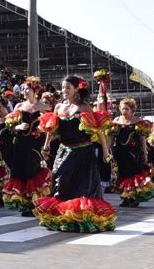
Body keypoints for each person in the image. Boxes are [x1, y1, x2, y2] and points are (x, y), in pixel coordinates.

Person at [35, 75, 117, 233]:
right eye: (63, 87)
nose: (64, 90)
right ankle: (64, 216)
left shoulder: (84, 107)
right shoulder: (59, 107)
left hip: (83, 153)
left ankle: (80, 220)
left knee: (82, 188)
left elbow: (98, 129)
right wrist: (46, 147)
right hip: (64, 151)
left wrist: (106, 151)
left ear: (76, 89)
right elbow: (51, 129)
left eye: (67, 88)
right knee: (61, 183)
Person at [1, 76, 51, 216]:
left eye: (27, 89)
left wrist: (44, 128)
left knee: (34, 171)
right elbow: (8, 127)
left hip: (36, 144)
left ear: (35, 90)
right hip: (20, 143)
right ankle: (25, 204)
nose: (24, 91)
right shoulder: (19, 106)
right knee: (20, 171)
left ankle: (37, 203)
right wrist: (18, 127)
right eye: (23, 89)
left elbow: (53, 127)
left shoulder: (45, 106)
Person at [111, 98, 154, 207]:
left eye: (126, 109)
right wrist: (107, 150)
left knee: (133, 174)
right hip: (119, 152)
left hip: (134, 153)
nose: (124, 111)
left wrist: (145, 152)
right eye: (122, 109)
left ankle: (134, 198)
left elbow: (142, 138)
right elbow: (111, 138)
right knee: (122, 174)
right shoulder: (116, 120)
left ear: (132, 110)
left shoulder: (138, 121)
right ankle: (126, 198)